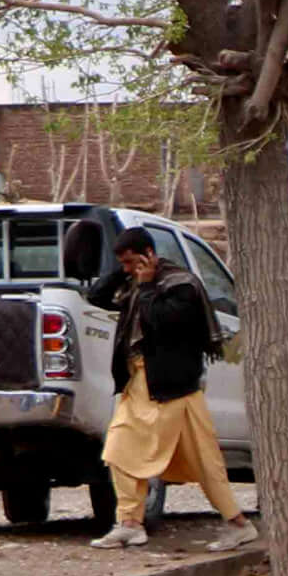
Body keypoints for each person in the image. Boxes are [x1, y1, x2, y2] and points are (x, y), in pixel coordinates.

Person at [86, 227, 257, 552]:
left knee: (206, 462)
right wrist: (124, 271)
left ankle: (238, 524)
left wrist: (148, 284)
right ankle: (130, 523)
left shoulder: (181, 286)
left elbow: (159, 322)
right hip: (140, 385)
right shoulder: (132, 282)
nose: (126, 268)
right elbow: (96, 296)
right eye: (122, 263)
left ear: (149, 253)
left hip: (173, 389)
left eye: (130, 260)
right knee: (119, 450)